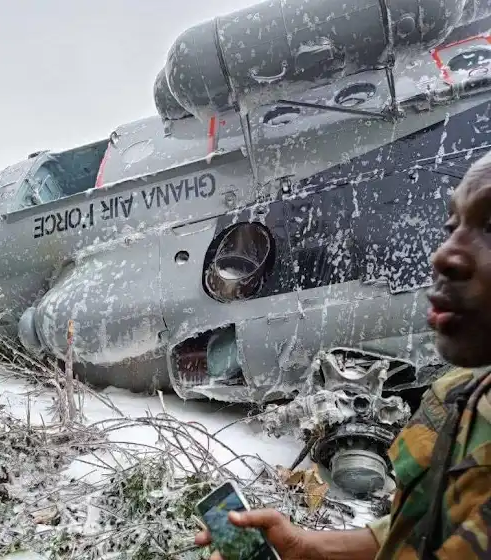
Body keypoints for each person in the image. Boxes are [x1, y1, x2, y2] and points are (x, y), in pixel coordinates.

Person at [195, 151, 491, 559]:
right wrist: (307, 548)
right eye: (451, 226)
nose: (443, 255)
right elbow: (422, 527)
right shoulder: (461, 396)